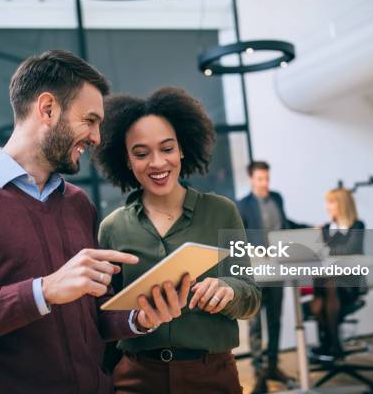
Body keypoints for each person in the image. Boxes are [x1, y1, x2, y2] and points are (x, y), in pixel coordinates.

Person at [0, 50, 189, 394]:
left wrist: (138, 318)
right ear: (48, 108)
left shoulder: (77, 203)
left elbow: (93, 313)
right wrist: (43, 290)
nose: (97, 137)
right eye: (90, 120)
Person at [94, 87, 261, 394]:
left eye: (167, 149)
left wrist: (229, 290)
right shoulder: (112, 228)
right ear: (127, 161)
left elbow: (251, 297)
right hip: (136, 377)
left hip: (211, 376)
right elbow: (102, 317)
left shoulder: (222, 212)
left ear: (182, 148)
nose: (157, 163)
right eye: (141, 154)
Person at [236, 161, 306, 393]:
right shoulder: (243, 205)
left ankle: (273, 366)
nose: (265, 183)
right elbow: (238, 237)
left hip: (278, 267)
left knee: (275, 319)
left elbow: (285, 225)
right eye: (260, 179)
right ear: (251, 179)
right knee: (255, 323)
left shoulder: (277, 198)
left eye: (267, 178)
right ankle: (259, 373)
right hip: (256, 271)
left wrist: (309, 228)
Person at [311, 188, 366, 358]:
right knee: (317, 305)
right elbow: (316, 252)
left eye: (331, 202)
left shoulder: (357, 225)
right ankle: (329, 344)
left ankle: (334, 345)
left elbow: (351, 249)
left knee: (330, 286)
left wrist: (324, 247)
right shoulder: (326, 228)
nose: (327, 207)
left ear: (342, 204)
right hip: (325, 283)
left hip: (348, 284)